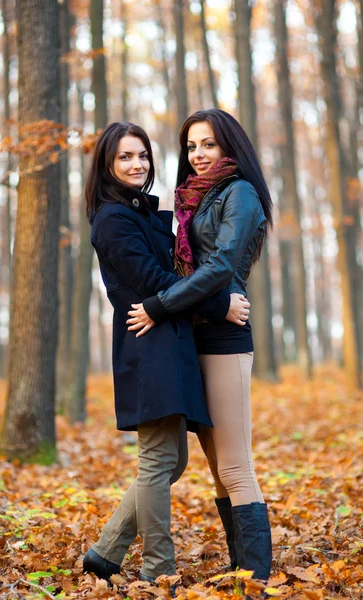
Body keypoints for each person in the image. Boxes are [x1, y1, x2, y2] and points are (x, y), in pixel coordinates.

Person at [82, 121, 248, 584]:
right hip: (147, 345)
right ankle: (160, 570)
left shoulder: (136, 212)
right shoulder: (113, 219)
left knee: (172, 461)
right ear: (107, 166)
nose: (137, 165)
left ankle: (106, 549)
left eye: (142, 156)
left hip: (168, 338)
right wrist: (220, 305)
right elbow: (157, 281)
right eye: (125, 158)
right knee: (157, 461)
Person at [127, 109, 273, 583]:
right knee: (216, 467)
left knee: (235, 465)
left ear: (229, 146)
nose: (199, 155)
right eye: (192, 147)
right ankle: (241, 571)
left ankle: (255, 580)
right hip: (198, 331)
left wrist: (160, 305)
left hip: (226, 337)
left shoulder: (241, 193)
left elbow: (220, 267)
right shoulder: (195, 199)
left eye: (208, 144)